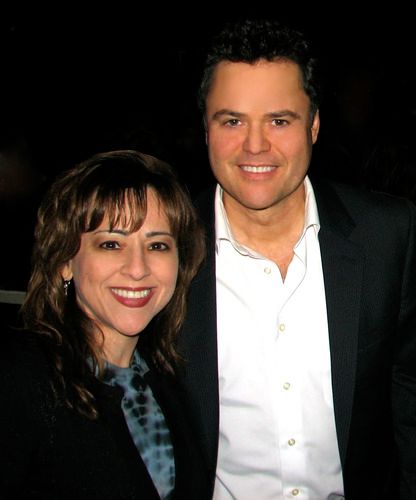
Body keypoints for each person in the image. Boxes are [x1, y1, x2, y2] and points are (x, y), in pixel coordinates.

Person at [177, 18, 416, 499]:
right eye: (232, 121)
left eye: (279, 121)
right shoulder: (164, 252)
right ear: (205, 129)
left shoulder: (387, 235)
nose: (255, 145)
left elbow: (409, 398)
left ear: (314, 125)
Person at [0, 149, 208, 499]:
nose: (138, 268)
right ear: (65, 261)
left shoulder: (171, 380)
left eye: (157, 245)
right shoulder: (19, 380)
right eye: (111, 244)